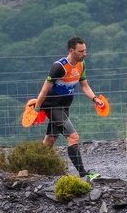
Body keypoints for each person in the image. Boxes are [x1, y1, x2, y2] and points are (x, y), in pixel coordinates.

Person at [30, 37, 103, 179]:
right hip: (52, 106)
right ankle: (84, 175)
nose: (84, 54)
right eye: (81, 51)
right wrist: (36, 109)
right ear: (71, 51)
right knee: (73, 137)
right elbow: (44, 89)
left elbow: (84, 86)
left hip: (64, 107)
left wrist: (95, 99)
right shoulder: (59, 67)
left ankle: (34, 169)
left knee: (49, 140)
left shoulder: (82, 65)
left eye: (85, 51)